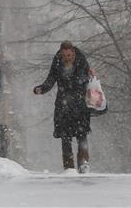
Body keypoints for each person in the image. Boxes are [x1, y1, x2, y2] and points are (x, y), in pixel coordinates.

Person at [33, 40, 96, 173]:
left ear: (73, 52)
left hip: (79, 104)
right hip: (63, 105)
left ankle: (83, 164)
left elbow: (88, 79)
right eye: (64, 55)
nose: (67, 58)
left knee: (82, 135)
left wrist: (90, 73)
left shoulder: (81, 61)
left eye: (69, 55)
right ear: (61, 54)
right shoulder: (57, 63)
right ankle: (69, 167)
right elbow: (50, 79)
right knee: (65, 137)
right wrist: (41, 89)